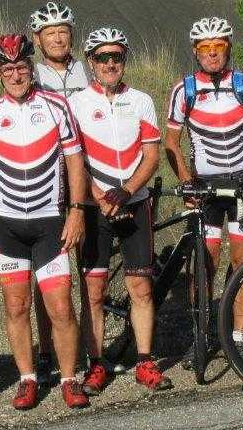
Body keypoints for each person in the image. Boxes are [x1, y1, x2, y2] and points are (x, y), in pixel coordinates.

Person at [0, 34, 92, 410]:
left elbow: (75, 160)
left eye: (22, 67)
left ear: (31, 68)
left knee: (61, 307)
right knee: (16, 306)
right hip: (7, 225)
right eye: (8, 69)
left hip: (49, 225)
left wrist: (77, 210)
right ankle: (27, 379)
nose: (16, 75)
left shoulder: (57, 105)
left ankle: (69, 378)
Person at [68, 27, 171, 394]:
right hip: (94, 207)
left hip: (135, 201)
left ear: (124, 60)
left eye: (117, 57)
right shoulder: (76, 104)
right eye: (102, 57)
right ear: (90, 61)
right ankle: (96, 364)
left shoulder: (141, 100)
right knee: (94, 291)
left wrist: (126, 191)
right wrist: (99, 196)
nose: (110, 63)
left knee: (141, 287)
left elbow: (152, 156)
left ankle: (145, 361)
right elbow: (74, 160)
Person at [164, 16, 243, 366]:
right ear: (195, 51)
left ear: (228, 48)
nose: (212, 53)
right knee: (204, 266)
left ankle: (238, 337)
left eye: (218, 46)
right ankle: (202, 336)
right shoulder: (185, 90)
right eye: (205, 47)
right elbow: (171, 142)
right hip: (205, 188)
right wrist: (186, 181)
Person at [28, 1, 90, 381]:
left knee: (87, 269)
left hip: (84, 174)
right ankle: (46, 348)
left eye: (63, 31)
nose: (57, 38)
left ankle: (85, 346)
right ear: (38, 39)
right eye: (49, 32)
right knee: (46, 273)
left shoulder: (88, 69)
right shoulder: (30, 74)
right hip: (47, 179)